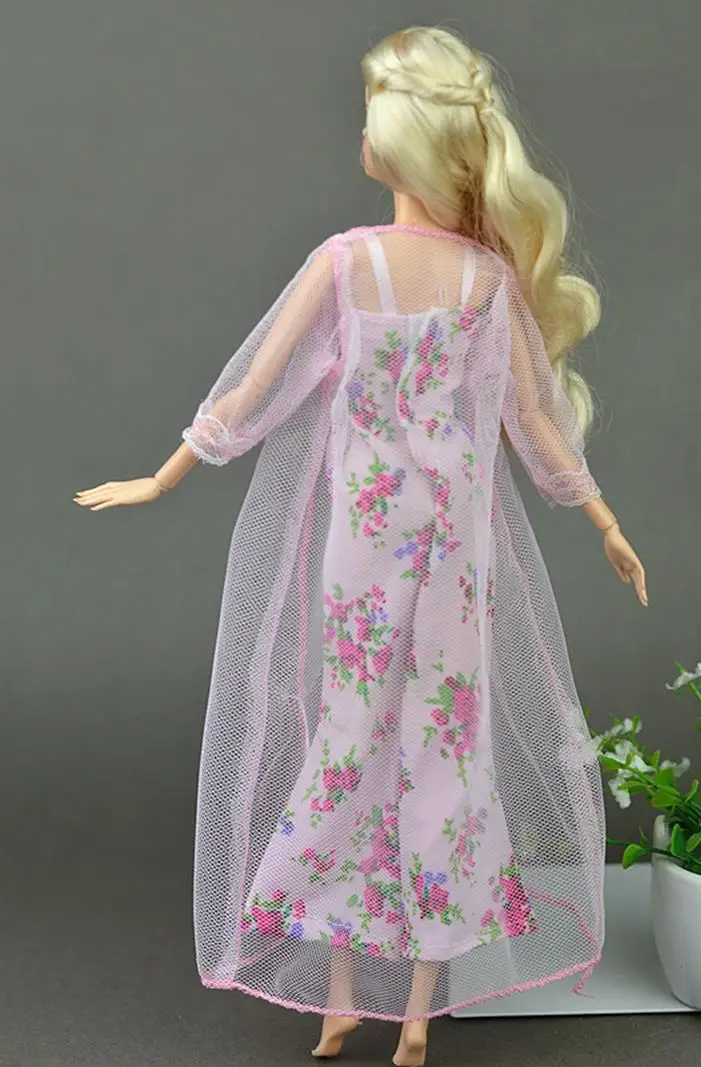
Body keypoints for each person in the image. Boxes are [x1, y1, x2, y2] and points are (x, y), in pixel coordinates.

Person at [75, 25, 646, 1067]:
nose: (361, 135)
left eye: (371, 117)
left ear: (397, 143)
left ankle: (345, 998)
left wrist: (166, 472)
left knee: (350, 738)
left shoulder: (347, 264)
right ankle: (413, 1014)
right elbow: (533, 423)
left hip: (372, 539)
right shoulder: (482, 280)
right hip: (451, 544)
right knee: (441, 748)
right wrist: (600, 517)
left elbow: (253, 389)